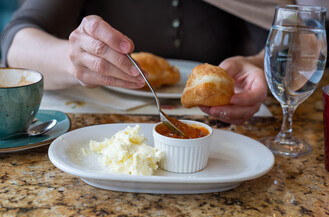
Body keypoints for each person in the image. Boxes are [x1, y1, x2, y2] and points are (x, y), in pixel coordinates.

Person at [0, 0, 293, 125]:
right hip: (104, 121)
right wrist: (75, 60)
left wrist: (259, 66)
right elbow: (16, 43)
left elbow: (289, 44)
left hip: (217, 127)